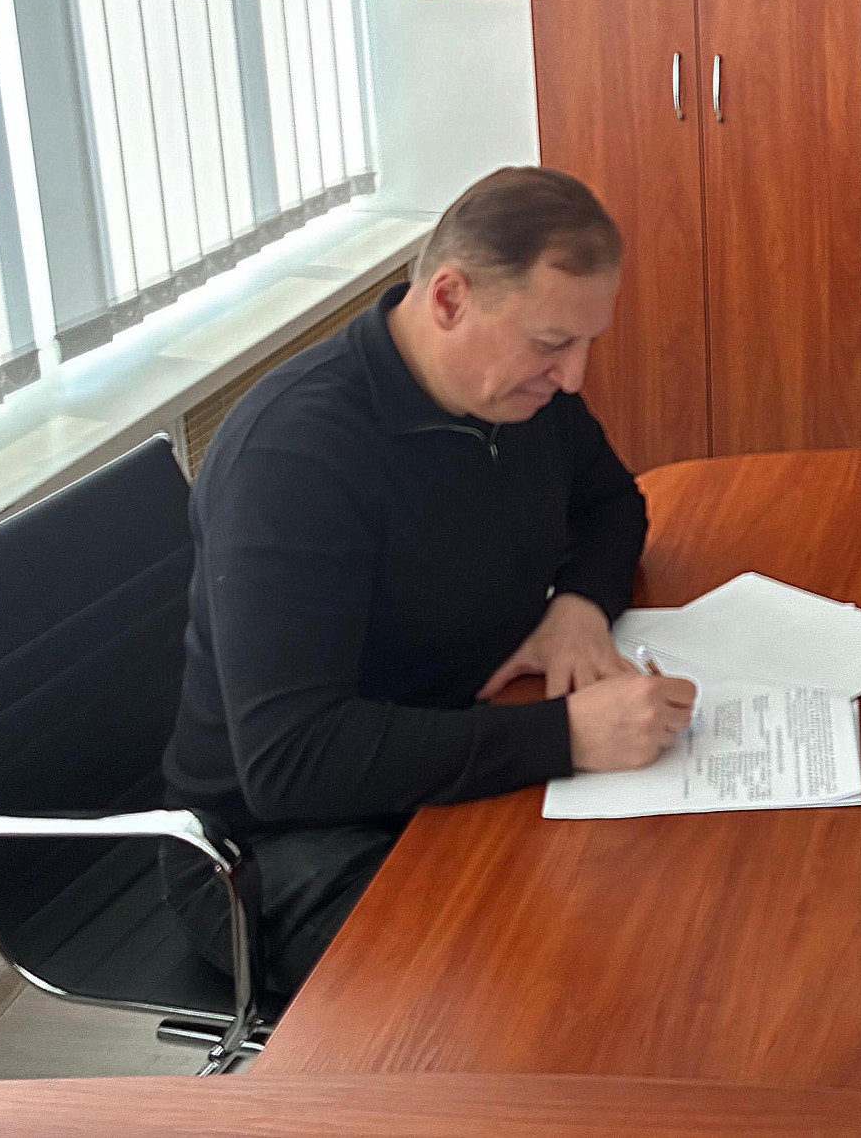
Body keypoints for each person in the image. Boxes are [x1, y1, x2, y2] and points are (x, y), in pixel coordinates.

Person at [161, 166, 697, 995]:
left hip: (445, 752)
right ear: (449, 298)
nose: (574, 377)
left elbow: (610, 503)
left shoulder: (516, 393)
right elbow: (293, 759)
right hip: (278, 850)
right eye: (552, 343)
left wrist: (580, 606)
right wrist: (566, 735)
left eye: (588, 342)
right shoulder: (291, 458)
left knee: (665, 907)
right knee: (556, 985)